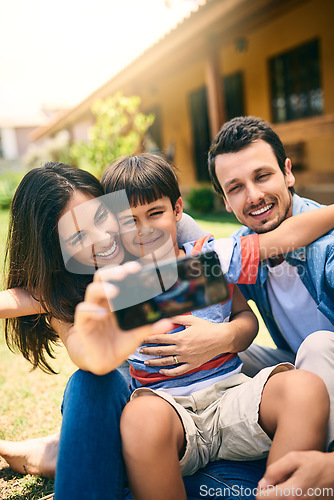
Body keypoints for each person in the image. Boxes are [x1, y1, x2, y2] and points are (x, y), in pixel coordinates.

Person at [207, 115, 334, 495]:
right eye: (236, 188)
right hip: (298, 365)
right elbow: (172, 278)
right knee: (223, 353)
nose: (254, 196)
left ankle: (301, 478)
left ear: (287, 173)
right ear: (226, 202)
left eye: (262, 176)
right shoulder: (242, 249)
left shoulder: (327, 247)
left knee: (319, 344)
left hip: (322, 360)